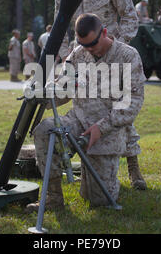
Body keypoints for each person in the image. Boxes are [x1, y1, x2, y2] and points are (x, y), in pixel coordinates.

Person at [27, 13, 146, 212]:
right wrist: (43, 93)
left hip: (107, 130)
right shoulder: (78, 53)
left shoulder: (128, 56)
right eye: (83, 44)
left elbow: (132, 103)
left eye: (92, 44)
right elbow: (65, 89)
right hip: (78, 121)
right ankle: (53, 198)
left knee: (99, 200)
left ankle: (98, 175)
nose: (88, 49)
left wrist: (101, 127)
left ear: (104, 32)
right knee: (45, 131)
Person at [54, 0, 146, 190]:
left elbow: (129, 15)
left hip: (111, 54)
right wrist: (65, 57)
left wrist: (118, 45)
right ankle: (86, 159)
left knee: (121, 108)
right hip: (82, 57)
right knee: (86, 108)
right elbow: (59, 27)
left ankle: (133, 168)